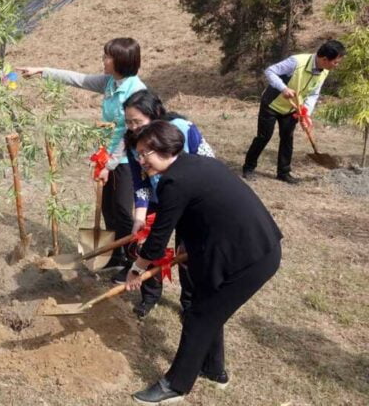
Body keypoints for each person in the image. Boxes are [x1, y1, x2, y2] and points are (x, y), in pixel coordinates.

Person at [125, 121, 281, 404]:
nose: (140, 160)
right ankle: (214, 369)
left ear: (162, 147)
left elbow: (158, 238)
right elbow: (191, 217)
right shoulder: (192, 165)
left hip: (251, 257)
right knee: (209, 304)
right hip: (244, 246)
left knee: (199, 315)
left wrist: (136, 269)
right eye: (138, 153)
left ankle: (176, 385)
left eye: (144, 153)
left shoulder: (176, 181)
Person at [18, 37, 145, 268]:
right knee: (108, 207)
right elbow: (78, 79)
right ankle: (113, 255)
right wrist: (42, 71)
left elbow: (129, 135)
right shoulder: (110, 82)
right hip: (107, 154)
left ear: (121, 61)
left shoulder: (135, 91)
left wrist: (109, 165)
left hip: (128, 158)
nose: (103, 60)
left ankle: (131, 262)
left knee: (123, 211)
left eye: (107, 56)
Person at [119, 90, 215, 318]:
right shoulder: (132, 141)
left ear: (155, 117)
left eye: (138, 121)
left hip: (190, 199)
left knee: (188, 251)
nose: (132, 127)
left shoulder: (183, 128)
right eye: (128, 122)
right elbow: (139, 182)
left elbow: (209, 163)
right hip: (157, 198)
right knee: (150, 245)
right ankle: (150, 295)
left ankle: (189, 301)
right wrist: (140, 217)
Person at [242, 40, 346, 184]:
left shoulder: (324, 71)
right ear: (324, 59)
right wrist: (283, 88)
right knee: (264, 137)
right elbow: (270, 71)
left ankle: (283, 173)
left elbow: (314, 94)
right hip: (272, 104)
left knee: (287, 138)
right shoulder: (297, 62)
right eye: (336, 62)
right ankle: (248, 168)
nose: (337, 65)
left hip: (292, 108)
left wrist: (306, 114)